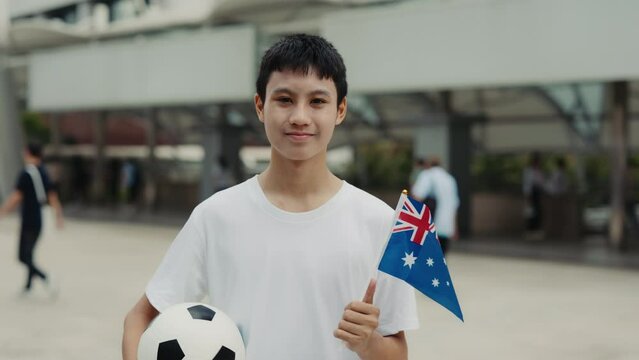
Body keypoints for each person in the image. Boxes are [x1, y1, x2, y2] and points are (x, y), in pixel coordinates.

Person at [122, 34, 418, 360]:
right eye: (285, 99)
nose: (300, 117)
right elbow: (140, 317)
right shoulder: (217, 215)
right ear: (260, 106)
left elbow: (398, 352)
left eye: (317, 101)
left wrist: (368, 343)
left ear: (341, 110)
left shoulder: (382, 222)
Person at [0, 142, 64, 295]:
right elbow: (52, 195)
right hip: (40, 218)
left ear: (28, 152)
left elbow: (16, 196)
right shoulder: (43, 171)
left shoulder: (26, 173)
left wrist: (2, 211)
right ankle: (28, 286)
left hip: (29, 219)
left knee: (23, 256)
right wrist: (58, 215)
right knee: (29, 253)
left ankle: (45, 277)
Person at [410, 156, 459, 255]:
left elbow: (417, 196)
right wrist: (455, 228)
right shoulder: (450, 179)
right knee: (441, 258)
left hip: (430, 226)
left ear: (428, 165)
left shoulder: (427, 175)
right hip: (446, 226)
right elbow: (454, 204)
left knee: (426, 258)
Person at [523, 152, 546, 239]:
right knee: (531, 213)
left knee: (538, 212)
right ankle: (529, 230)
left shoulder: (539, 171)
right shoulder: (529, 171)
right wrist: (527, 194)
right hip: (532, 193)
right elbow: (527, 184)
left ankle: (537, 230)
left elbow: (541, 183)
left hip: (538, 192)